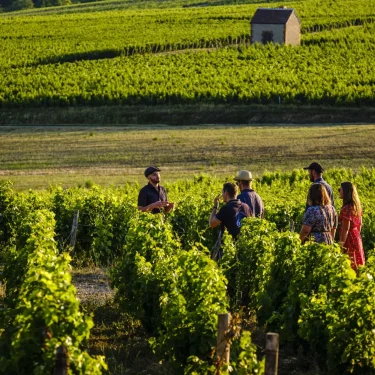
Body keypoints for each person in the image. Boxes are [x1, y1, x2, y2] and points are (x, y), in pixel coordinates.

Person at [338, 182, 365, 271]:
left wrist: (341, 245)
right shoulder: (357, 206)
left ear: (345, 192)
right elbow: (360, 224)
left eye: (340, 190)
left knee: (349, 264)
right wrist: (356, 236)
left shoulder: (346, 208)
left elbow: (345, 228)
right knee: (357, 264)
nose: (339, 192)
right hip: (356, 236)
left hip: (349, 238)